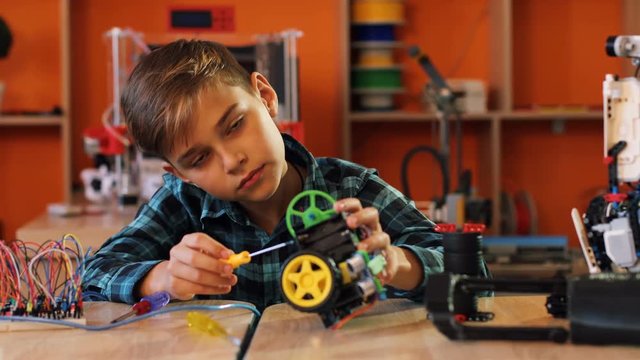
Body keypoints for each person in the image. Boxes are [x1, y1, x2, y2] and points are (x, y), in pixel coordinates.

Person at [82, 39, 445, 310]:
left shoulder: (352, 189)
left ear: (267, 98)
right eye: (199, 158)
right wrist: (159, 277)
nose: (232, 160)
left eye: (235, 124)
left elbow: (467, 268)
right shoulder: (183, 204)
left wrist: (396, 263)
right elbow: (92, 274)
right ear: (180, 174)